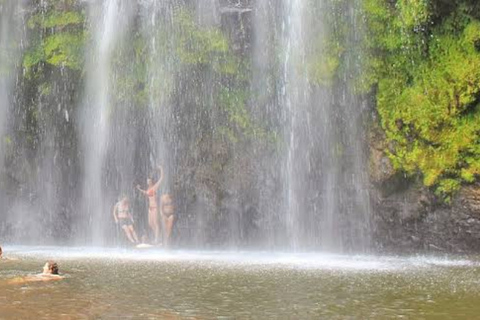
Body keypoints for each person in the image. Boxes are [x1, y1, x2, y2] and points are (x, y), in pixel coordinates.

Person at [136, 165, 164, 244]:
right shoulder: (148, 189)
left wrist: (161, 169)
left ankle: (157, 239)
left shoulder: (155, 187)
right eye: (147, 181)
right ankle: (158, 237)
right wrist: (139, 189)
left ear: (151, 181)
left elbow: (161, 178)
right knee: (150, 223)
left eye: (149, 181)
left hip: (155, 207)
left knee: (155, 223)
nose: (147, 182)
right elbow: (146, 193)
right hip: (150, 208)